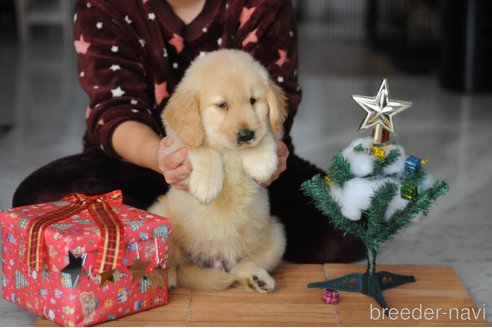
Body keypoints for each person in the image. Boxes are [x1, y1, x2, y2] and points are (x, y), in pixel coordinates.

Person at [13, 0, 364, 263]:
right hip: (138, 160)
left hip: (246, 170)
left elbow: (276, 96)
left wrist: (272, 151)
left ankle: (240, 235)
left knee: (346, 232)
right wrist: (162, 158)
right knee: (40, 200)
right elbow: (114, 110)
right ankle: (174, 241)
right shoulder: (106, 4)